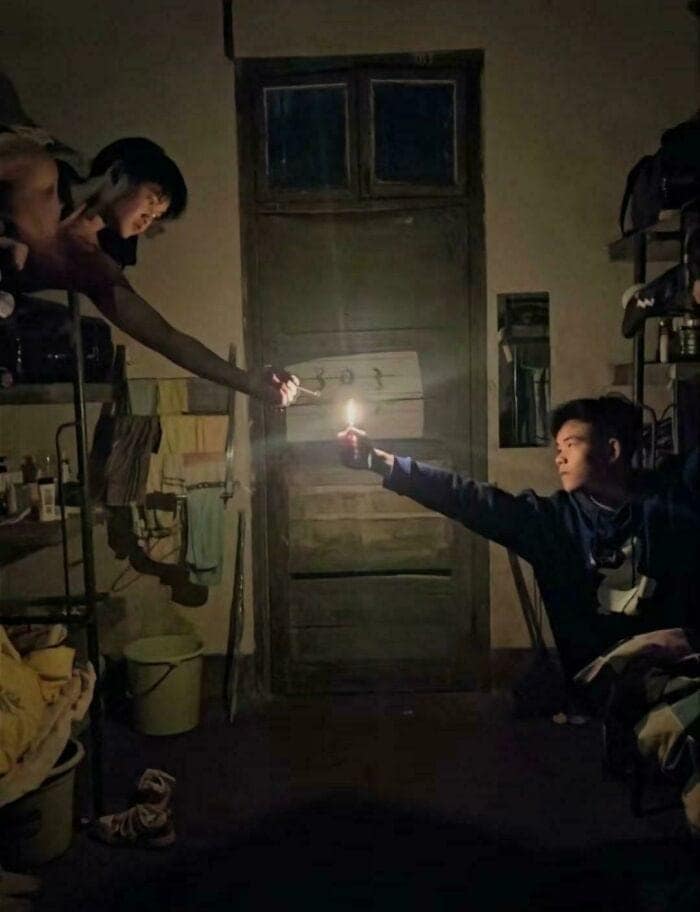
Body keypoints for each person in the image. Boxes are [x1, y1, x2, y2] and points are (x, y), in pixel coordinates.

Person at [338, 395, 700, 697]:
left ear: (612, 449)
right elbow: (469, 499)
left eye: (571, 444)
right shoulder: (550, 523)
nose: (559, 457)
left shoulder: (670, 496)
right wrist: (380, 462)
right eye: (557, 448)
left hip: (681, 663)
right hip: (604, 680)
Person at [0, 132, 297, 405]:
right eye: (150, 202)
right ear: (117, 174)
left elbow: (164, 336)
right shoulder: (39, 174)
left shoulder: (91, 265)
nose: (148, 220)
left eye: (156, 216)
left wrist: (248, 382)